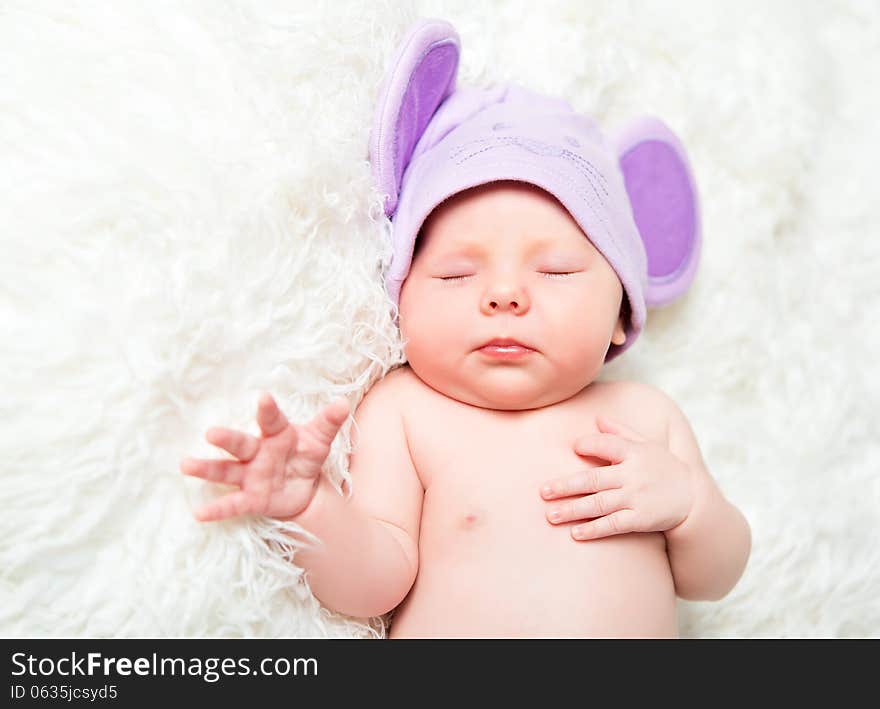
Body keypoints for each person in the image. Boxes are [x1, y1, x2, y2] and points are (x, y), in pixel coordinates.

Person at [179, 19, 750, 637]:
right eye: (456, 275)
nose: (504, 295)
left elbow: (714, 578)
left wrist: (690, 506)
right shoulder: (407, 412)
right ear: (402, 300)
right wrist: (312, 508)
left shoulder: (645, 417)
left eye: (556, 271)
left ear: (621, 315)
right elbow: (373, 584)